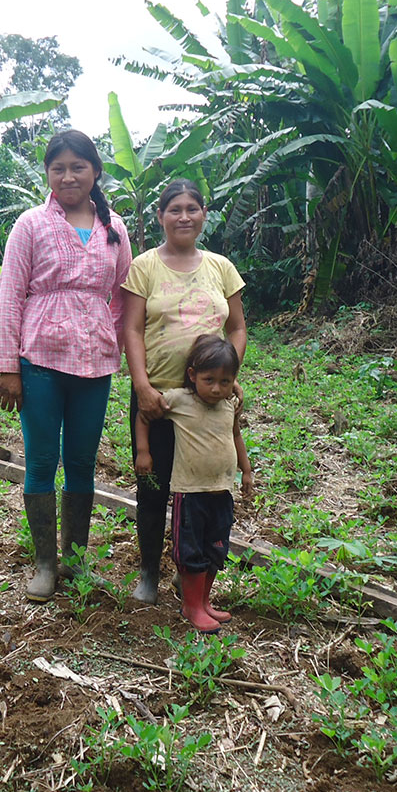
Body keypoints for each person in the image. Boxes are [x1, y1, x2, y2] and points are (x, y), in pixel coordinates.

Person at [0, 130, 132, 602]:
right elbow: (11, 295)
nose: (68, 176)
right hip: (40, 361)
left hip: (95, 364)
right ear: (48, 174)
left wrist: (112, 341)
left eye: (78, 166)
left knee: (80, 462)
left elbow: (123, 296)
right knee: (41, 461)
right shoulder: (30, 224)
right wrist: (7, 367)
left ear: (95, 172)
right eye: (58, 168)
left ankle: (74, 561)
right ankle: (45, 565)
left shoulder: (116, 228)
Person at [122, 179, 247, 605]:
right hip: (157, 398)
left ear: (203, 215)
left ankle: (190, 573)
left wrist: (226, 379)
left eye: (192, 208)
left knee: (202, 493)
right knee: (153, 487)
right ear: (160, 216)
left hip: (206, 402)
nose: (183, 216)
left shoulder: (221, 267)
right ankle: (148, 572)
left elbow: (237, 327)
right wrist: (142, 386)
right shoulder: (144, 266)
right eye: (174, 209)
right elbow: (132, 328)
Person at [134, 335, 253, 633]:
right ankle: (191, 606)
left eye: (225, 381)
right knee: (190, 550)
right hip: (191, 493)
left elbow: (236, 436)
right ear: (192, 376)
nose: (216, 388)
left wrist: (247, 471)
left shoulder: (229, 406)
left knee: (215, 547)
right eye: (208, 379)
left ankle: (203, 601)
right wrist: (143, 451)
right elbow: (144, 416)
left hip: (222, 491)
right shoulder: (178, 400)